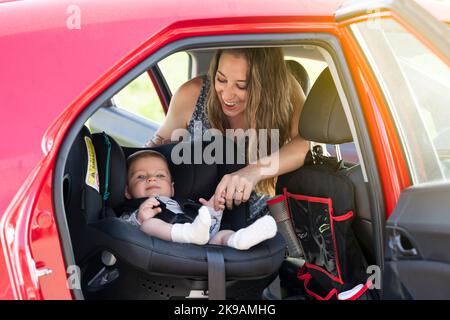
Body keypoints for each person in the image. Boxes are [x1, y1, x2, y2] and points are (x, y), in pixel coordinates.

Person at [146, 48, 309, 222]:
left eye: (241, 85)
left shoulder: (285, 90)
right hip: (194, 222)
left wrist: (253, 172)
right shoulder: (191, 94)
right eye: (221, 79)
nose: (227, 94)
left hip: (261, 227)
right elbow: (155, 152)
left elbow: (304, 144)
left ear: (267, 86)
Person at [120, 150, 277, 249]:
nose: (152, 179)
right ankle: (190, 233)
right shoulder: (133, 210)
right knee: (149, 224)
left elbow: (208, 229)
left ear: (172, 188)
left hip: (202, 243)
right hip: (163, 248)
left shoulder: (184, 204)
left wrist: (211, 211)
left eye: (160, 175)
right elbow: (123, 230)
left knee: (222, 234)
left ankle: (238, 240)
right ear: (127, 191)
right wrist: (139, 219)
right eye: (141, 176)